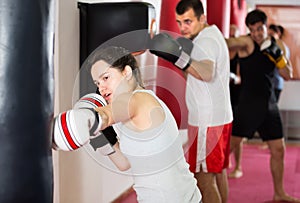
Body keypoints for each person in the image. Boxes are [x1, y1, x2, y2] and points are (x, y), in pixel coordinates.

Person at [87, 46, 201, 203]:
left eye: (105, 78)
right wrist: (101, 139)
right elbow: (124, 163)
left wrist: (84, 117)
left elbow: (104, 115)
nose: (101, 88)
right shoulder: (123, 115)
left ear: (126, 72)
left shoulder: (139, 100)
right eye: (97, 83)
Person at [149, 1, 233, 202]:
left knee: (203, 180)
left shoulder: (206, 41)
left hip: (208, 122)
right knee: (217, 174)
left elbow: (206, 72)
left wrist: (177, 56)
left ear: (202, 18)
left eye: (188, 21)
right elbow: (196, 76)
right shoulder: (211, 34)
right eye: (179, 22)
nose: (183, 27)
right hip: (218, 118)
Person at [226, 9, 300, 202]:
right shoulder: (246, 42)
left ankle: (279, 193)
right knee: (226, 151)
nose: (257, 34)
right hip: (247, 106)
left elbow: (288, 74)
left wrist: (277, 56)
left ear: (266, 26)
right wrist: (205, 36)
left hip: (269, 106)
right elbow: (225, 43)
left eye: (260, 29)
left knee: (278, 150)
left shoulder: (278, 45)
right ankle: (206, 191)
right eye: (253, 30)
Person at [227, 24, 244, 179]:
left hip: (237, 96)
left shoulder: (240, 54)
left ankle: (238, 166)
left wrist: (231, 76)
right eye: (230, 34)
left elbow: (240, 78)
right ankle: (226, 161)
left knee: (237, 133)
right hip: (224, 95)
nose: (231, 38)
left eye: (234, 35)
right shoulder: (223, 51)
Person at [268, 24, 292, 102]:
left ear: (278, 34)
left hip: (276, 82)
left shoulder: (281, 46)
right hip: (273, 83)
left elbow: (285, 68)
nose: (269, 37)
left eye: (271, 35)